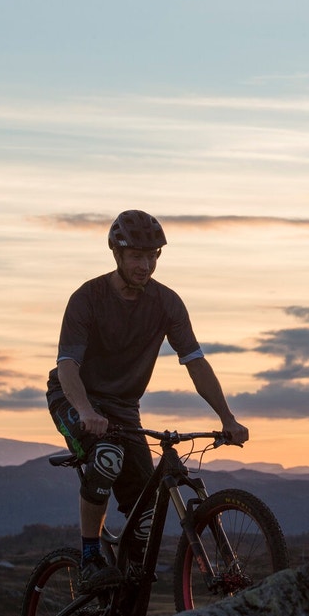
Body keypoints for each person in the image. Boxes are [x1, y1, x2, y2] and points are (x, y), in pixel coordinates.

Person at [46, 209, 250, 589]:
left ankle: (127, 580)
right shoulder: (87, 298)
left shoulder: (167, 303)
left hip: (124, 410)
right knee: (107, 458)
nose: (146, 265)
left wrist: (227, 417)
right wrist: (86, 410)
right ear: (117, 255)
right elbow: (68, 366)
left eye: (153, 255)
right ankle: (90, 556)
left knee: (146, 505)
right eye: (137, 256)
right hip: (74, 399)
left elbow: (195, 362)